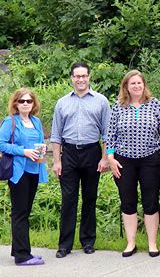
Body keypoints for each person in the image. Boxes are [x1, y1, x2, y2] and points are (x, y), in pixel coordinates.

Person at [50, 62, 111, 258]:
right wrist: (57, 161)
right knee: (68, 200)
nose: (81, 79)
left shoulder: (101, 101)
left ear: (89, 77)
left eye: (84, 76)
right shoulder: (62, 103)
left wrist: (104, 158)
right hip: (68, 154)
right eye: (77, 76)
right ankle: (65, 245)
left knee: (89, 198)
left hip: (92, 152)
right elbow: (56, 135)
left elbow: (107, 133)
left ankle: (88, 241)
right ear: (71, 78)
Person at [107, 70, 160, 258]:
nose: (136, 86)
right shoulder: (118, 106)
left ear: (144, 85)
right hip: (124, 160)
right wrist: (110, 158)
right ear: (126, 86)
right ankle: (131, 242)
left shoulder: (155, 104)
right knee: (128, 201)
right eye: (132, 83)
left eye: (139, 83)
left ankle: (152, 243)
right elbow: (110, 136)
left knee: (151, 201)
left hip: (151, 159)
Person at [0, 88, 49, 266]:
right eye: (22, 101)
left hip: (34, 171)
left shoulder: (36, 121)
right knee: (19, 213)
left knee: (25, 213)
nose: (25, 104)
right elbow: (0, 145)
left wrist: (43, 149)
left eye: (29, 101)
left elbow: (39, 142)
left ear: (34, 104)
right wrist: (23, 151)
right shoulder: (10, 121)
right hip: (19, 173)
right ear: (16, 103)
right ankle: (22, 256)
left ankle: (21, 250)